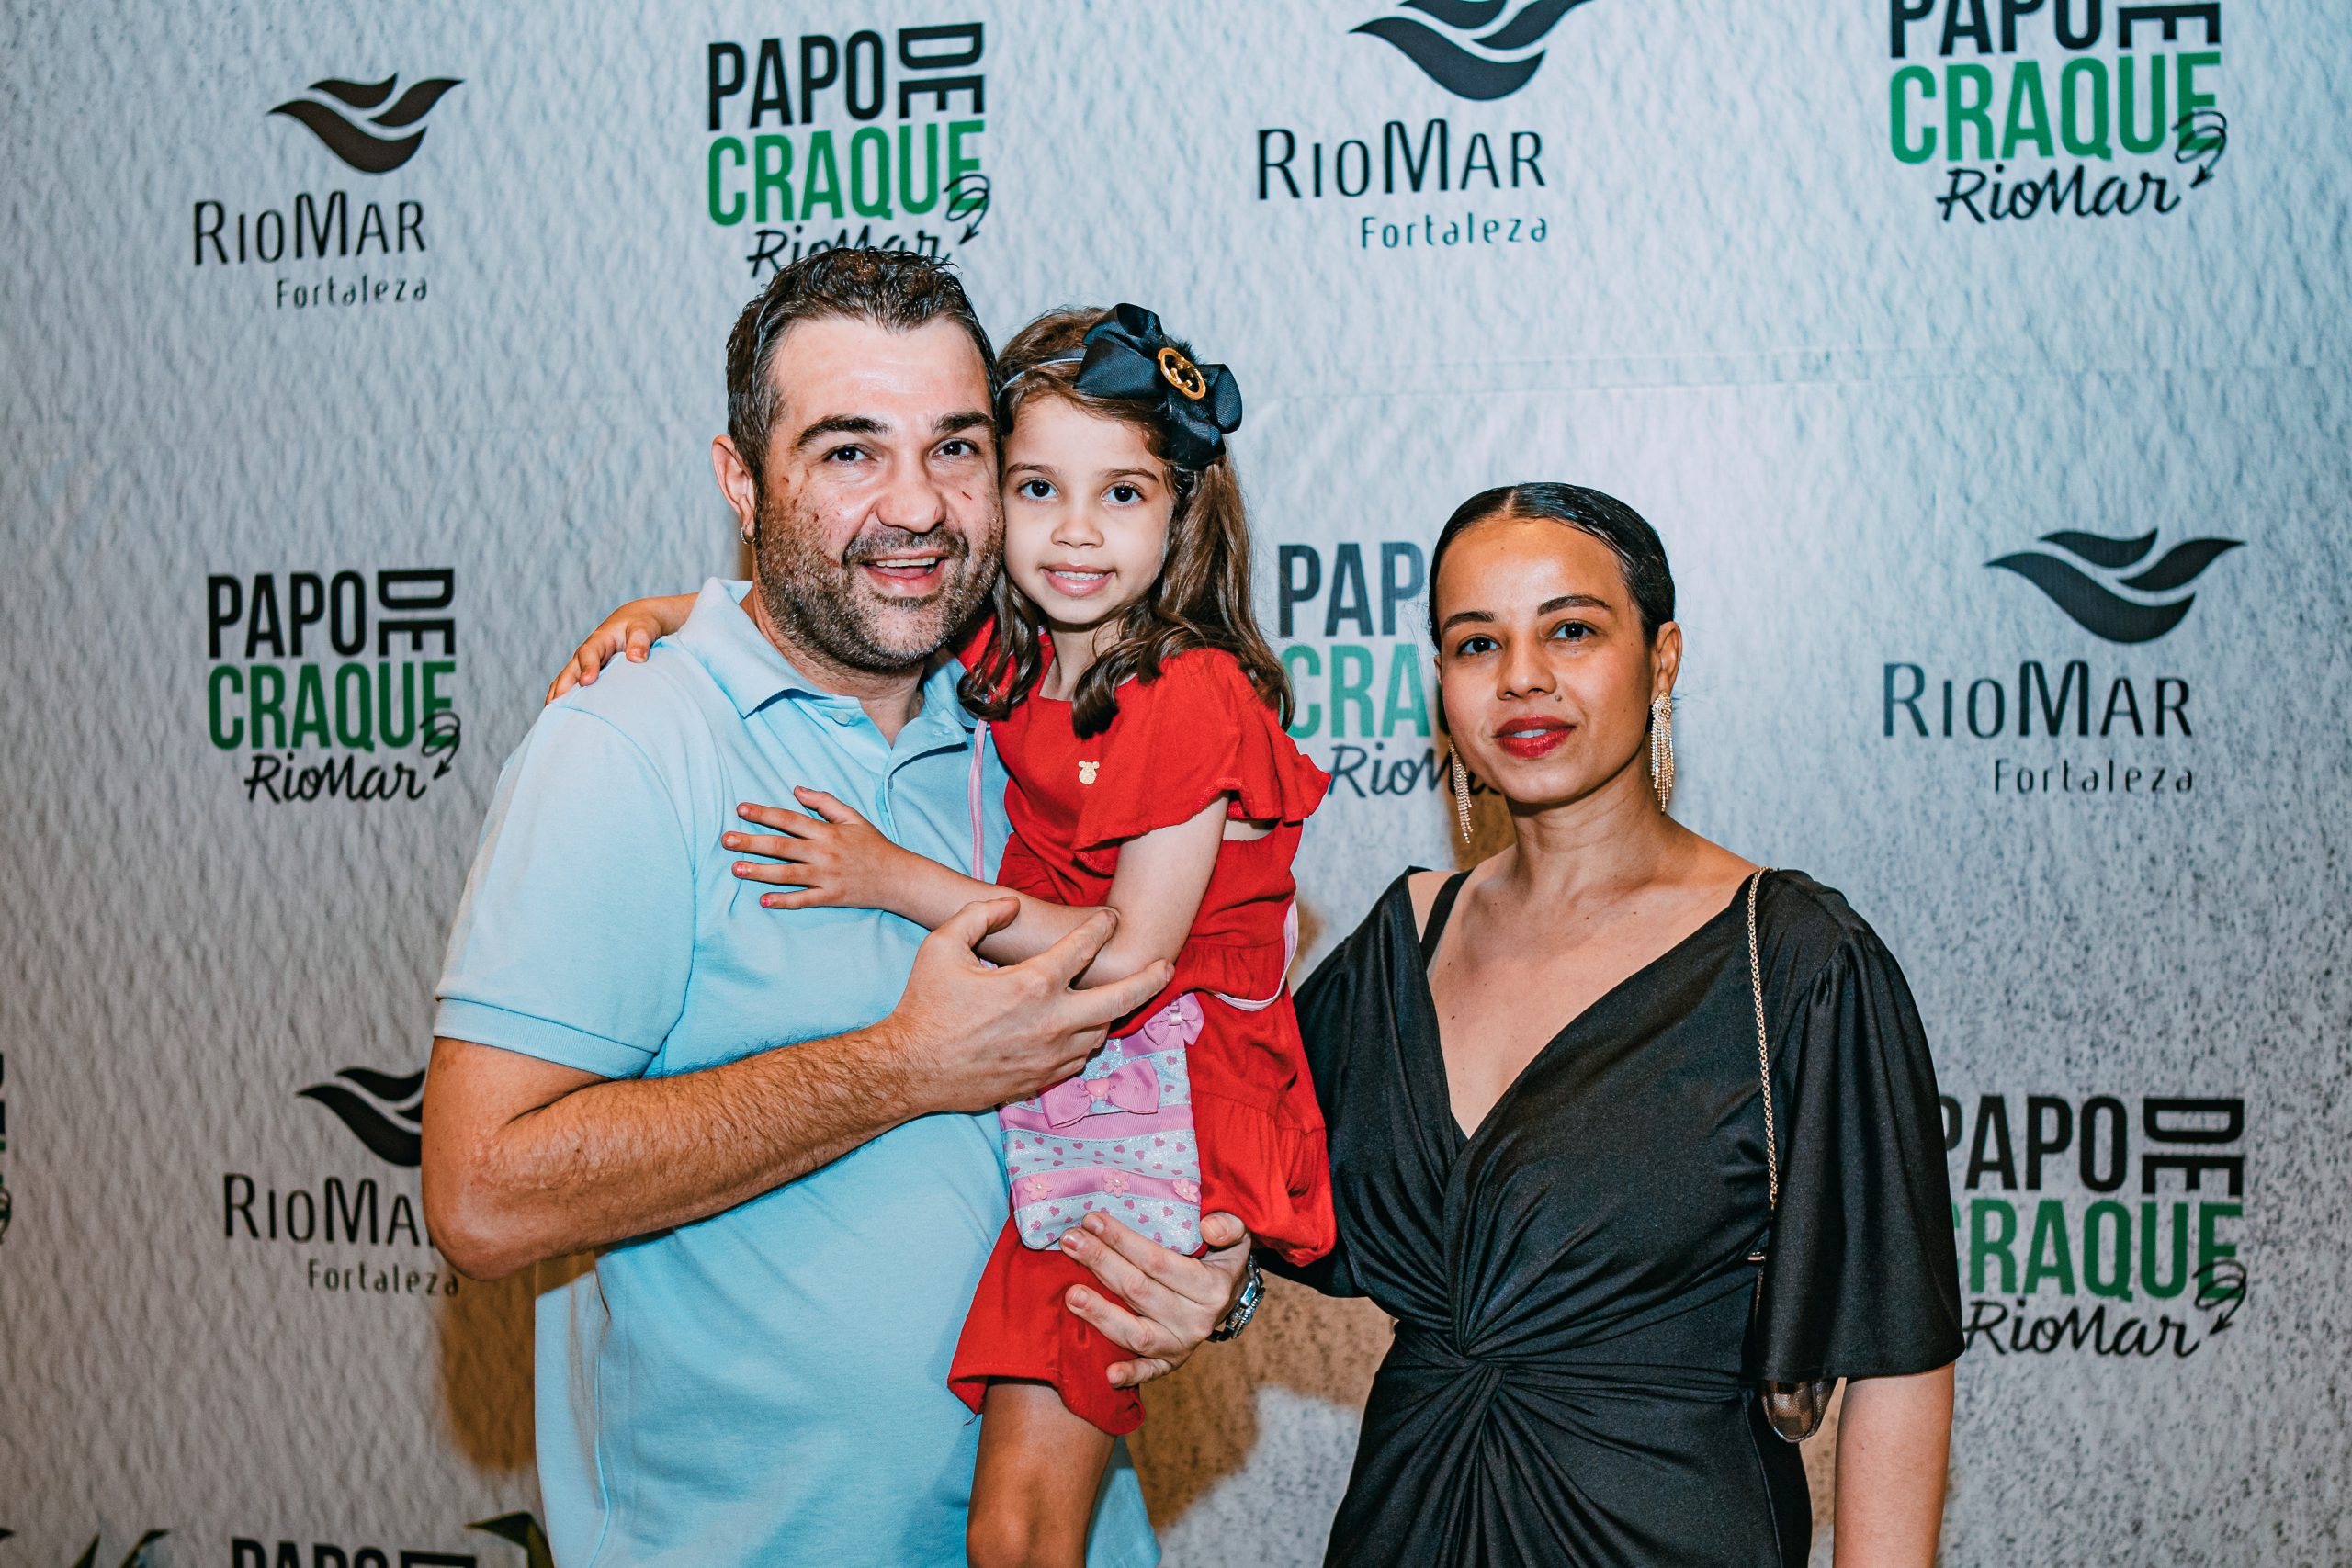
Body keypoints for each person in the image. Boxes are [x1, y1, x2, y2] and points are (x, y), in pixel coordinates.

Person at [420, 250, 1253, 1568]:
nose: (915, 506)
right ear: (742, 482)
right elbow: (480, 1195)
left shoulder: (1035, 715)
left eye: (956, 448)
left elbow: (1178, 1037)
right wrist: (900, 1068)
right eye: (850, 451)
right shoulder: (631, 747)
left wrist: (1213, 1277)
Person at [1276, 483, 1963, 1567]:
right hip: (1405, 1523)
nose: (1522, 677)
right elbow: (1231, 1178)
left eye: (1571, 631)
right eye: (1476, 643)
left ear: (1663, 657)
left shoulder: (1796, 959)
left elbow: (1897, 1357)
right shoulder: (1398, 944)